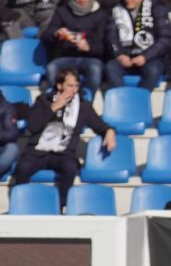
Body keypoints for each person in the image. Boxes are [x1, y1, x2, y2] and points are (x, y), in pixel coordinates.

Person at [10, 68, 113, 208]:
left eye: (76, 85)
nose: (74, 90)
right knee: (23, 167)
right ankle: (20, 204)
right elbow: (33, 127)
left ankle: (60, 206)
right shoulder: (43, 101)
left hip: (63, 153)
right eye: (70, 86)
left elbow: (99, 125)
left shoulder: (83, 106)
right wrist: (54, 108)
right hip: (37, 151)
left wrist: (109, 131)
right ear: (59, 86)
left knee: (70, 168)